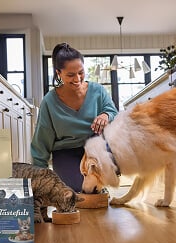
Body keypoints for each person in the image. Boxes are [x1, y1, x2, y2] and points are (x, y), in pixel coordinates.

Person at [31, 43, 118, 192]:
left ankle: (101, 180)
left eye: (81, 72)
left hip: (95, 146)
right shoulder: (49, 102)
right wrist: (40, 178)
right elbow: (41, 142)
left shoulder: (97, 90)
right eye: (70, 75)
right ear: (59, 73)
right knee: (77, 192)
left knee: (95, 188)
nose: (77, 79)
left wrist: (106, 115)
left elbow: (113, 112)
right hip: (66, 152)